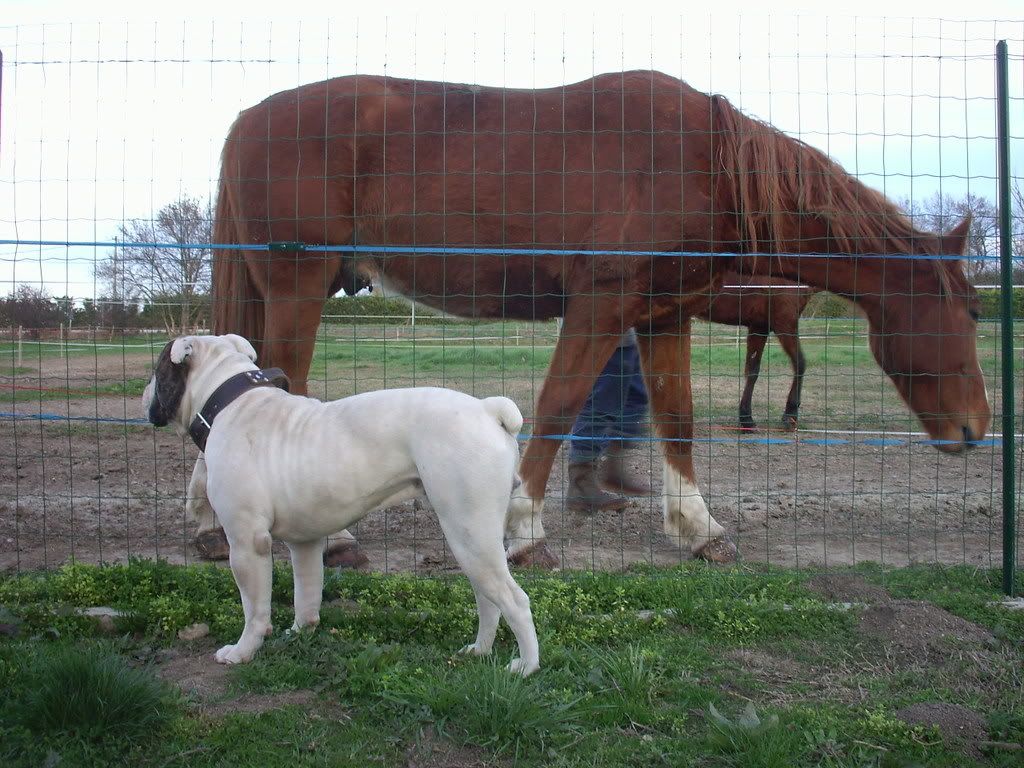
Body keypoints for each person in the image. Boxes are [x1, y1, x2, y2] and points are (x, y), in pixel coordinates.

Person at [565, 330, 653, 511]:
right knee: (601, 403)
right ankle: (581, 485)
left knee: (636, 397)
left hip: (627, 335)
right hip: (605, 332)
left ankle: (613, 466)